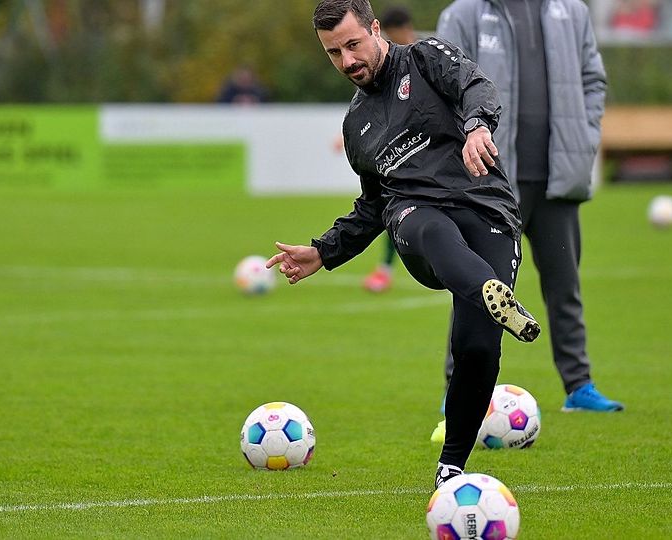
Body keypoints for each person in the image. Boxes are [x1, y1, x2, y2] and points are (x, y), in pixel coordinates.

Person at [267, 0, 540, 489]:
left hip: (487, 208)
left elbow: (477, 86)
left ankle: (451, 468)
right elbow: (373, 206)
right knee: (429, 227)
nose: (347, 61)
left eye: (353, 44)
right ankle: (489, 292)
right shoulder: (357, 127)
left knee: (477, 347)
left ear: (375, 29)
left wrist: (477, 126)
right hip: (417, 222)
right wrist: (324, 250)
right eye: (334, 53)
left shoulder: (425, 58)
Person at [433, 0, 623, 439]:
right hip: (490, 183)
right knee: (478, 288)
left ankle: (578, 385)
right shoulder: (464, 14)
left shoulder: (571, 11)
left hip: (558, 178)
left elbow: (593, 80)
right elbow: (439, 87)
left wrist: (586, 132)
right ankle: (454, 392)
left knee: (564, 287)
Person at [361, 5, 416, 293]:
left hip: (428, 153)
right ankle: (385, 269)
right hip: (396, 152)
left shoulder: (425, 56)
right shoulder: (382, 63)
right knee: (394, 205)